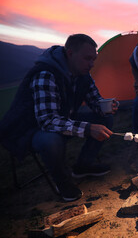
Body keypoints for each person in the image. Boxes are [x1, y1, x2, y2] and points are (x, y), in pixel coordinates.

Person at [0, 34, 117, 202]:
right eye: (87, 58)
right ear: (70, 53)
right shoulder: (46, 74)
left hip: (62, 117)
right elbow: (47, 121)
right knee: (51, 140)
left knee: (105, 120)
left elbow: (95, 101)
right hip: (29, 129)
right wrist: (88, 128)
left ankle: (83, 165)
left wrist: (107, 106)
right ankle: (63, 183)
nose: (92, 64)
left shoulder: (83, 73)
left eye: (94, 59)